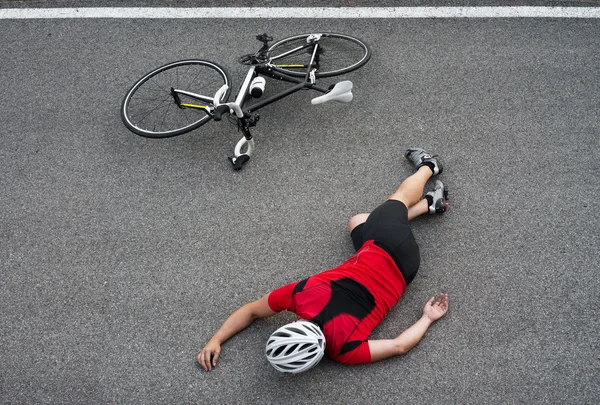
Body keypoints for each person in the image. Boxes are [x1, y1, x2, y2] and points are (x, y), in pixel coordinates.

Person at [197, 148, 450, 373]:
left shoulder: (344, 351)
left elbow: (399, 346)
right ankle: (429, 166)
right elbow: (251, 310)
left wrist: (428, 317)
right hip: (386, 246)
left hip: (406, 271)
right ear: (295, 323)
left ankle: (429, 204)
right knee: (395, 201)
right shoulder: (300, 295)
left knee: (357, 222)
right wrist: (215, 339)